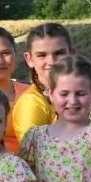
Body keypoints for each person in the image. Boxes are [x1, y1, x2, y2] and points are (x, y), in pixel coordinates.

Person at [9, 23, 73, 153]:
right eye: (42, 55)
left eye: (59, 53)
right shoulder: (32, 103)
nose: (52, 61)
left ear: (72, 54)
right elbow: (37, 158)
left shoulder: (73, 96)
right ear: (29, 59)